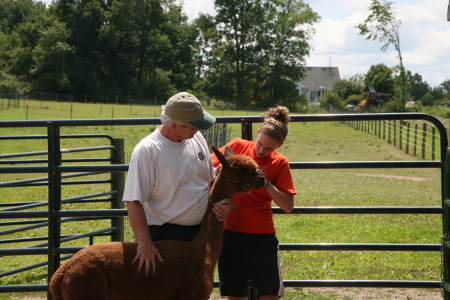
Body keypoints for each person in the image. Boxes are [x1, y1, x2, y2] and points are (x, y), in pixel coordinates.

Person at [122, 92, 235, 276]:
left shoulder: (195, 138)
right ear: (173, 125)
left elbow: (209, 179)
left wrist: (227, 203)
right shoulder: (148, 151)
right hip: (166, 239)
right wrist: (145, 244)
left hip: (199, 233)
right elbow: (134, 201)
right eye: (193, 127)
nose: (198, 130)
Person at [211, 106, 297, 300]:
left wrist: (267, 184)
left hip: (262, 236)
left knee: (269, 295)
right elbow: (208, 168)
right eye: (260, 143)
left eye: (268, 148)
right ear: (257, 133)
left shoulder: (279, 163)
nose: (261, 150)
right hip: (231, 232)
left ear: (279, 146)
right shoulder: (238, 146)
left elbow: (288, 206)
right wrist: (217, 172)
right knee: (235, 295)